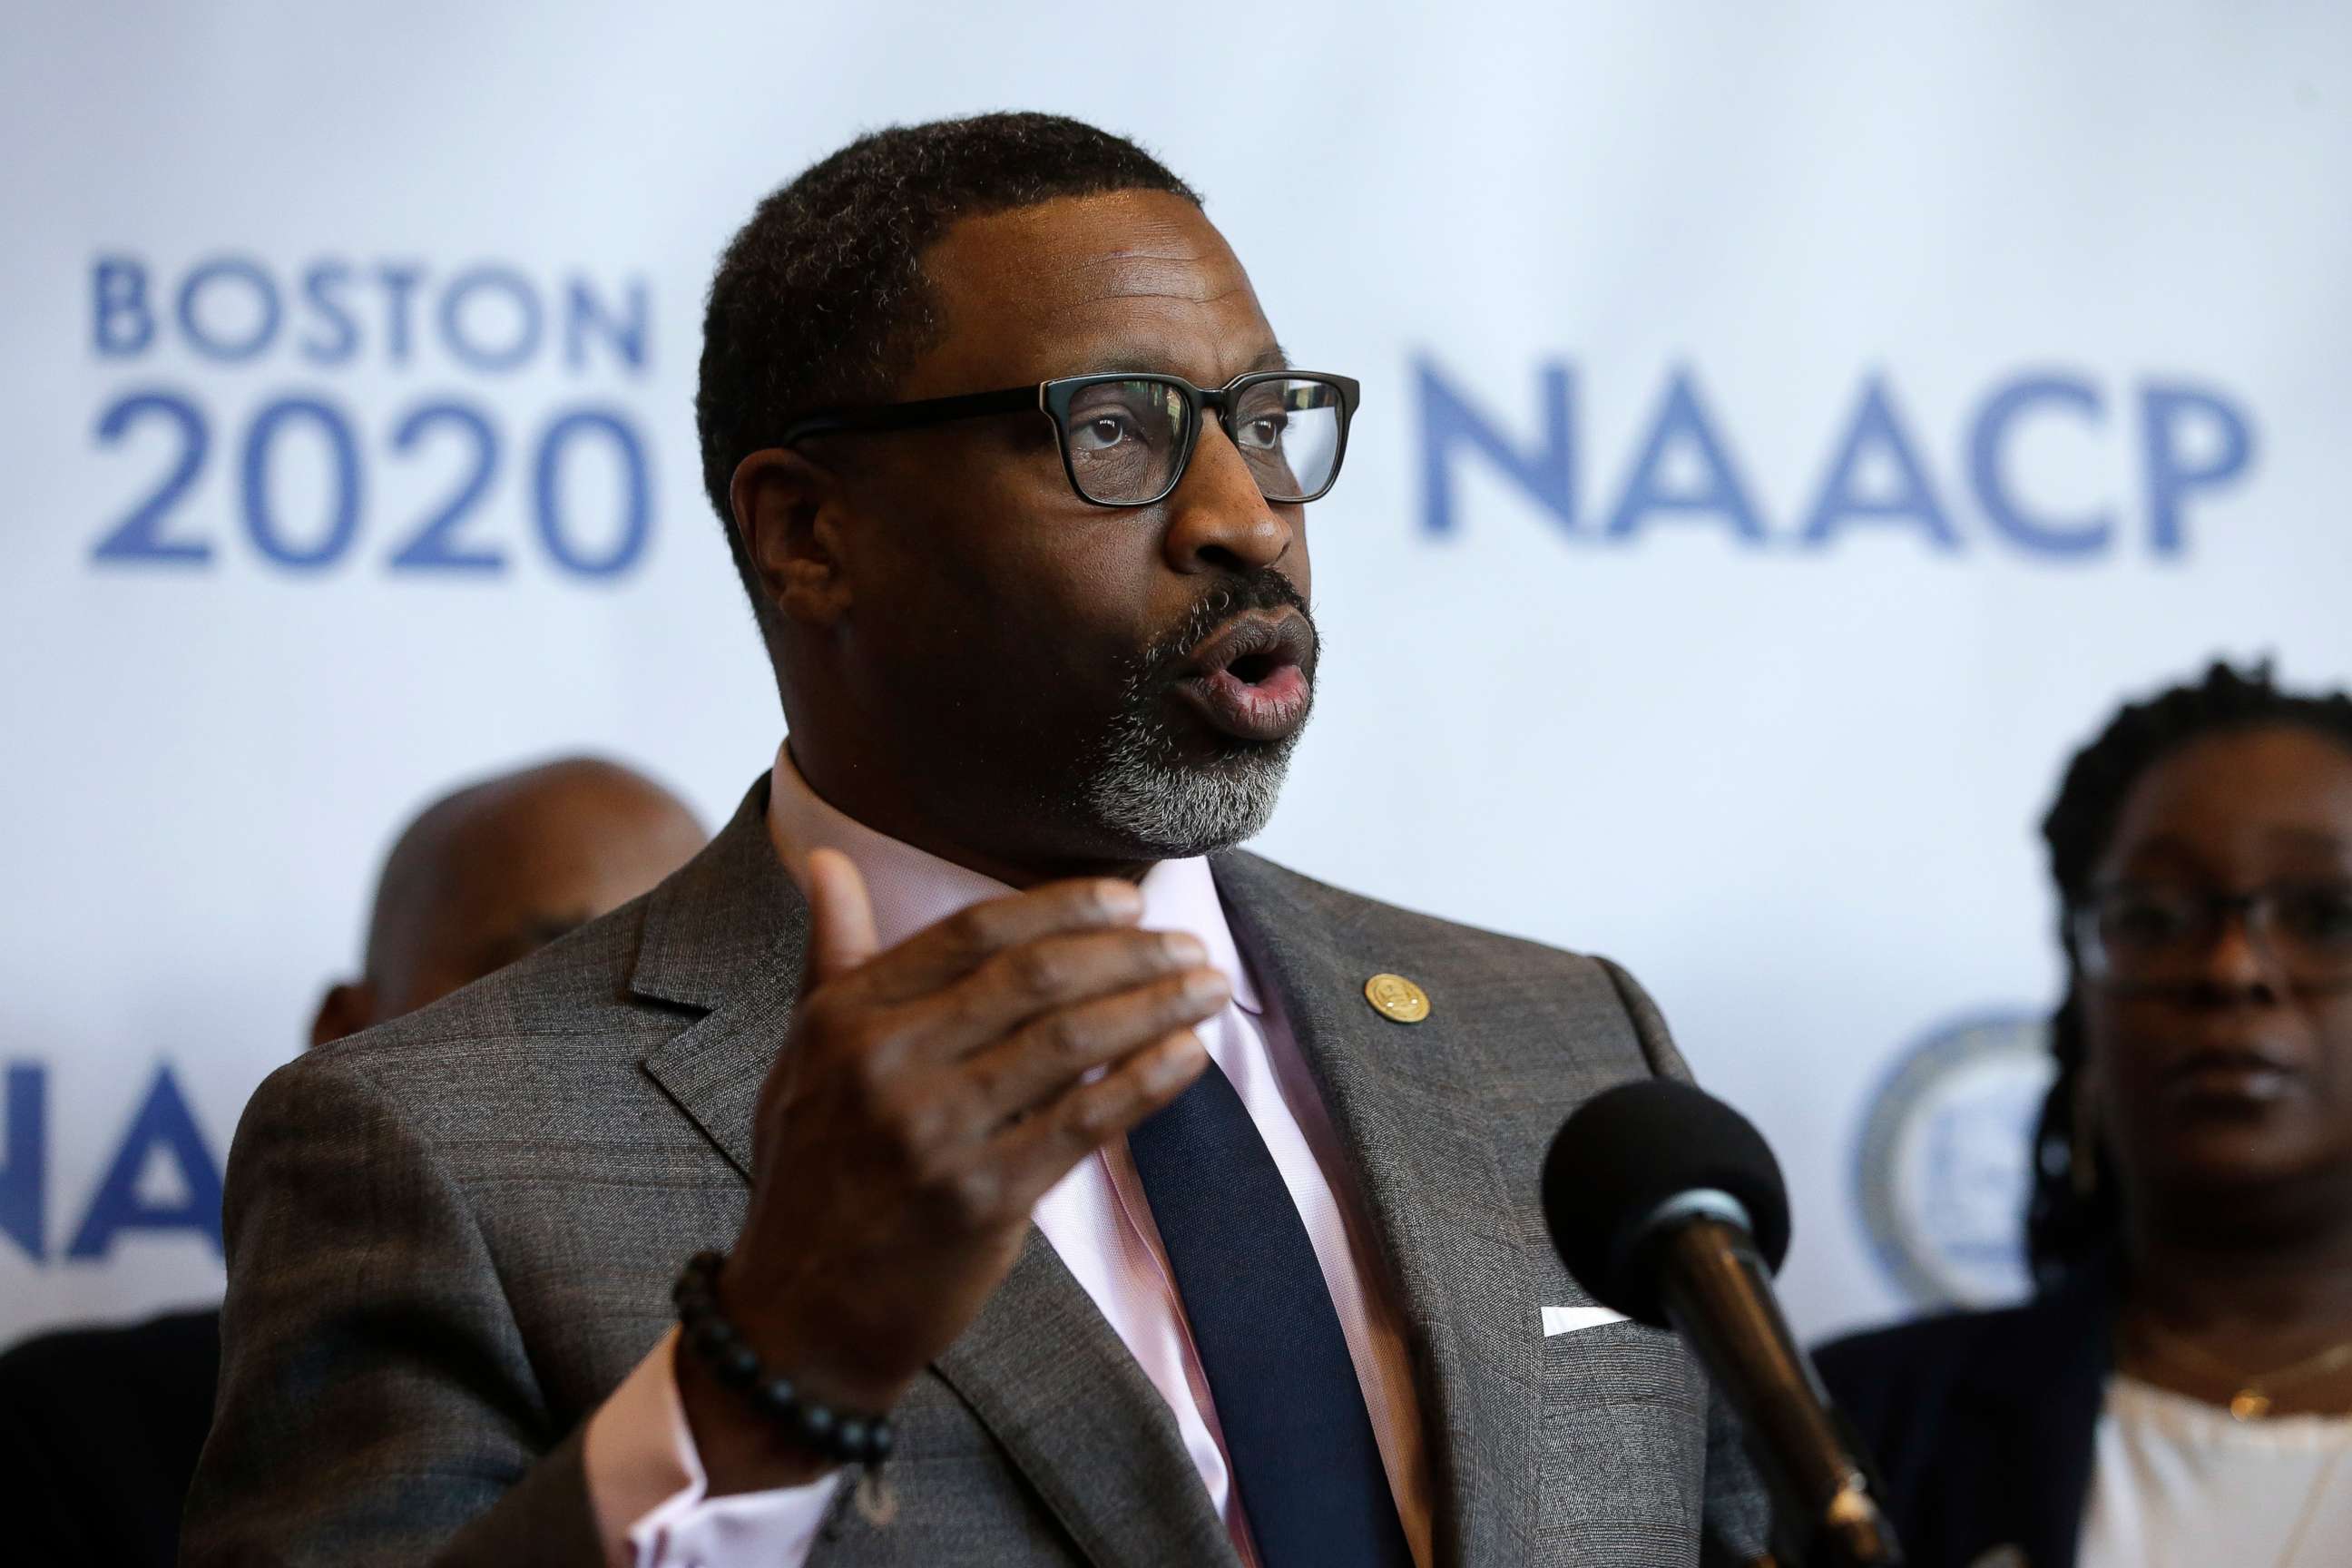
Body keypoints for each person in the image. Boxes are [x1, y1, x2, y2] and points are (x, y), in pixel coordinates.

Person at [184, 113, 1769, 1568]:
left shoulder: (1565, 1054)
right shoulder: (432, 1149)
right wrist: (771, 1372)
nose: (1246, 513)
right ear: (810, 532)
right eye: (1116, 431)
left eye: (1265, 419)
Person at [0, 757, 706, 1567]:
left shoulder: (848, 1412)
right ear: (346, 1036)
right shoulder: (68, 1432)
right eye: (542, 985)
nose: (638, 1053)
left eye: (682, 999)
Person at [1816, 662, 2352, 1568]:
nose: (2231, 969)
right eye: (2153, 917)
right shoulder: (1853, 1429)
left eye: (2327, 916)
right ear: (2080, 998)